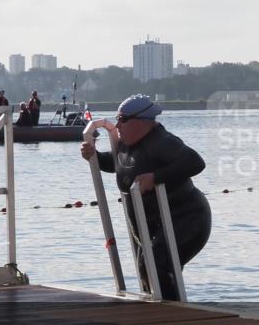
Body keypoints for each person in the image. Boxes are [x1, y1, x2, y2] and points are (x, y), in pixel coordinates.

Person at [80, 94, 211, 300]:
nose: (117, 125)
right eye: (116, 119)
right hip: (152, 222)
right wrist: (94, 156)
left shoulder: (163, 142)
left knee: (157, 263)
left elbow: (196, 162)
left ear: (142, 122)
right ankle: (162, 314)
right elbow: (120, 166)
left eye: (122, 119)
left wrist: (156, 177)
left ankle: (172, 317)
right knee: (147, 267)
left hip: (187, 218)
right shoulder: (126, 143)